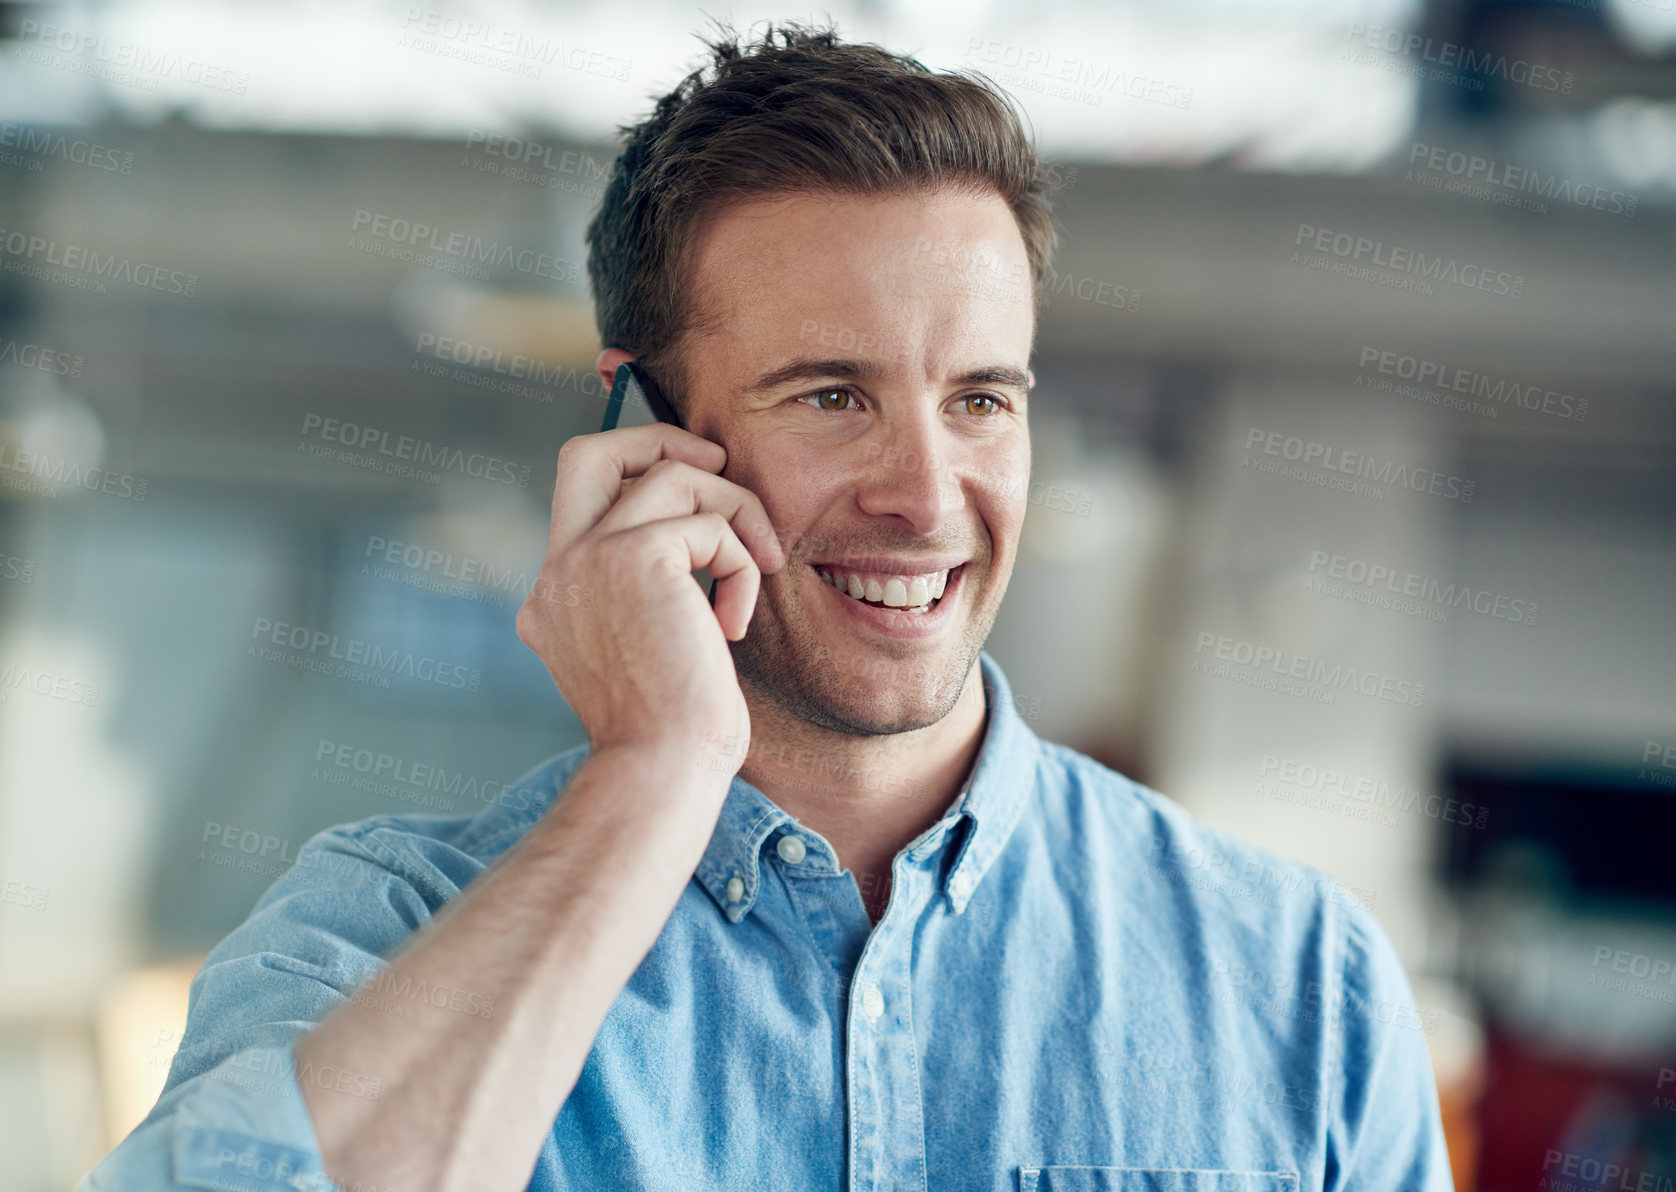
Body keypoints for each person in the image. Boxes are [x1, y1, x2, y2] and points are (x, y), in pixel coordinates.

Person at [79, 20, 1453, 1192]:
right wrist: (656, 774)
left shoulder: (1297, 981)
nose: (928, 495)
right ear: (645, 427)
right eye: (833, 396)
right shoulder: (382, 933)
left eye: (981, 400)